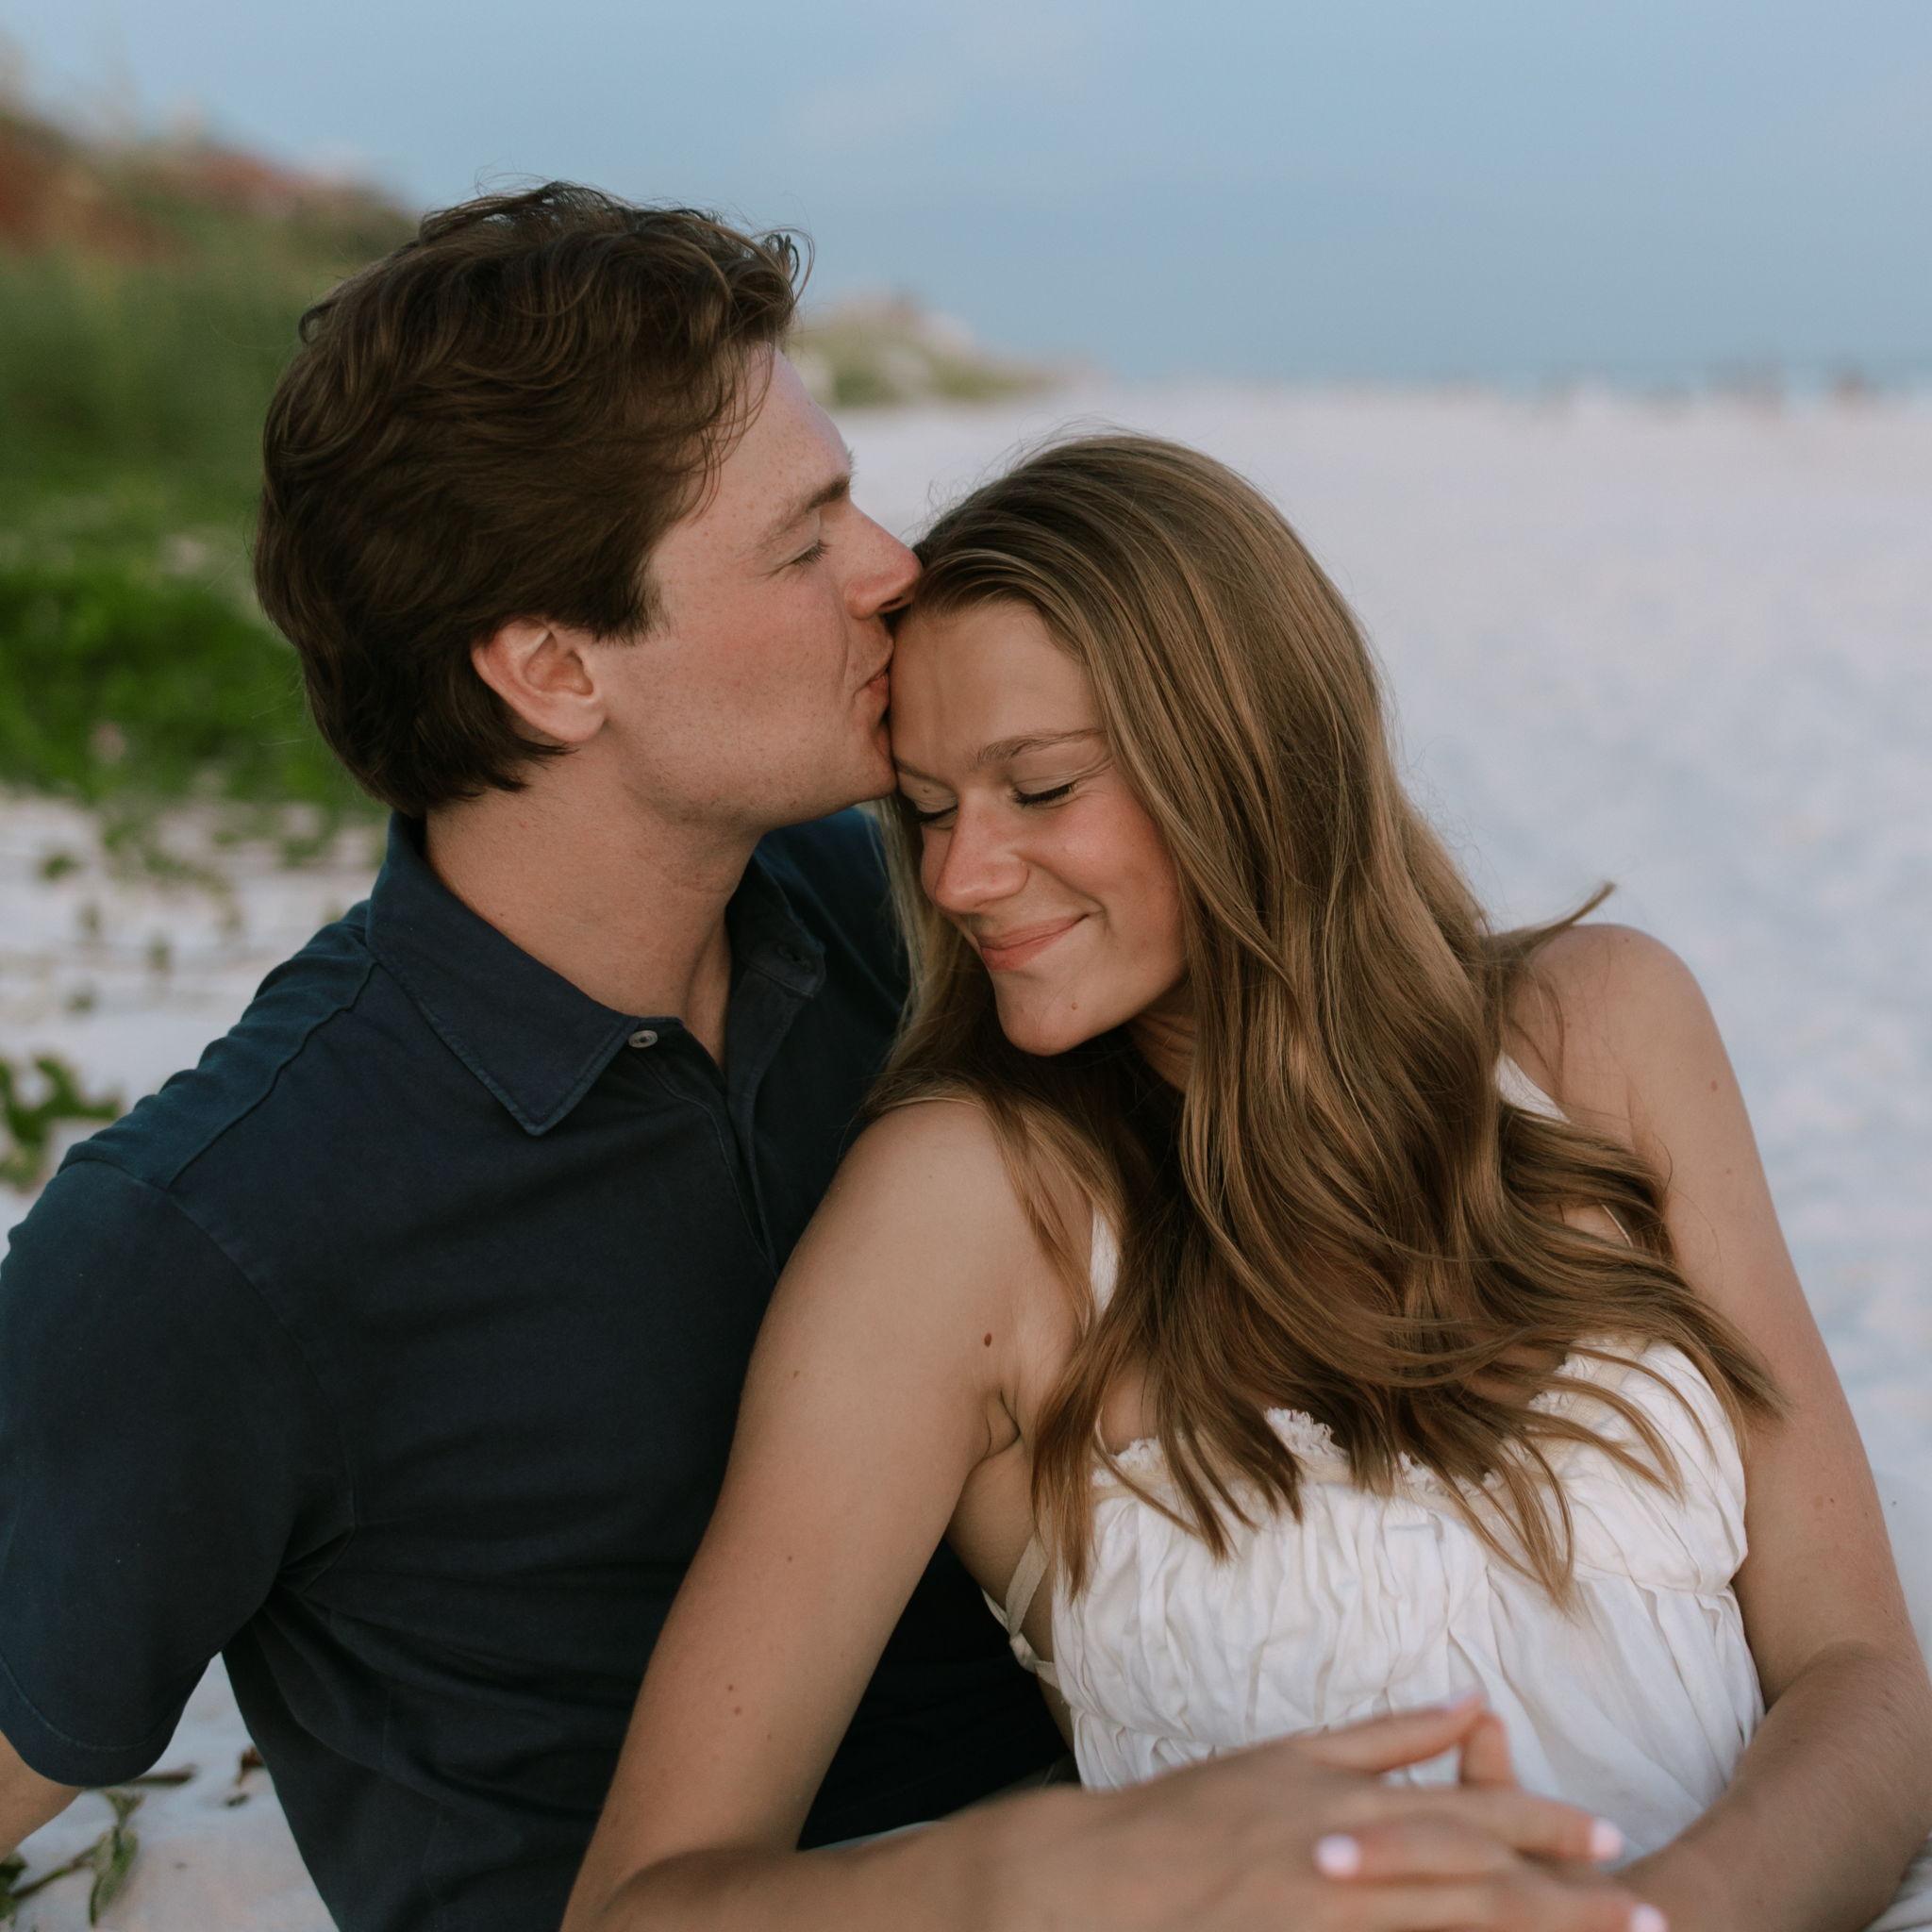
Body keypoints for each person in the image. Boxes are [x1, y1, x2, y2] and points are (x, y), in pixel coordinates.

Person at [0, 187, 1641, 1932]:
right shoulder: (216, 1242)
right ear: (555, 669)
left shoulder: (923, 921)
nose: (895, 570)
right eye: (808, 540)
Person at [563, 434, 1932, 1932]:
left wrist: (1657, 1922)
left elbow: (1861, 1676)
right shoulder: (961, 1213)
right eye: (933, 809)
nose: (958, 882)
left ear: (1248, 755)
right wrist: (1039, 1873)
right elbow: (645, 1905)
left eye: (1039, 788)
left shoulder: (1600, 1032)